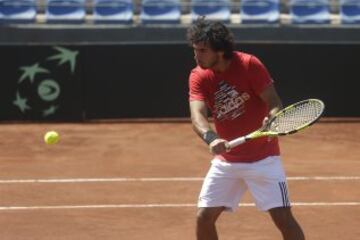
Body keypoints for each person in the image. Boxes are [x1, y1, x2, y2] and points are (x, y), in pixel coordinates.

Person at [187, 17, 305, 240]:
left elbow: (274, 103)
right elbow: (197, 116)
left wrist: (272, 119)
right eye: (195, 50)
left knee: (283, 219)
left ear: (220, 51)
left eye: (202, 50)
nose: (196, 55)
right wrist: (211, 138)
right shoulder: (198, 75)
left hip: (264, 160)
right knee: (204, 217)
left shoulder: (249, 64)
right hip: (227, 162)